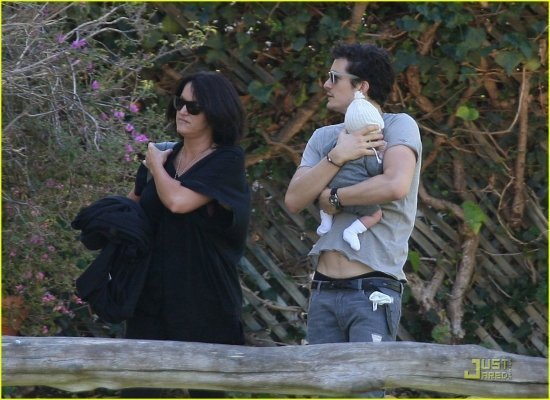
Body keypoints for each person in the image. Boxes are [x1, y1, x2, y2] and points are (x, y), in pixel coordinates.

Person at [285, 43, 422, 396]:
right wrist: (337, 156)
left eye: (334, 77)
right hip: (323, 290)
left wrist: (333, 196)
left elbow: (394, 184)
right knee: (322, 392)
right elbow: (295, 198)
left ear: (362, 86)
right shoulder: (324, 138)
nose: (326, 85)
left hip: (373, 290)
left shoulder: (398, 126)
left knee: (365, 393)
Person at [125, 71, 250, 398]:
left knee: (209, 393)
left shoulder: (227, 160)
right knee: (138, 392)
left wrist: (156, 166)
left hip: (206, 300)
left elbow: (178, 202)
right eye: (180, 102)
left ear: (216, 113)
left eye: (194, 107)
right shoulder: (163, 154)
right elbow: (133, 208)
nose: (183, 111)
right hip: (152, 296)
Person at [316, 90, 385, 251]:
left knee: (324, 194)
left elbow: (326, 154)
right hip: (353, 195)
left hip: (332, 193)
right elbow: (376, 170)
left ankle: (326, 218)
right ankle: (352, 231)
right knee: (376, 214)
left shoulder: (338, 143)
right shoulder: (368, 151)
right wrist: (381, 154)